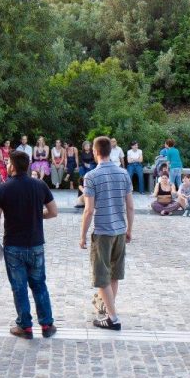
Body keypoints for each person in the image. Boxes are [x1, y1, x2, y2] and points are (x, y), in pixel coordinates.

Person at [0, 150, 58, 339]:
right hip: (36, 244)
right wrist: (38, 216)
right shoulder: (40, 185)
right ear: (28, 166)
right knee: (39, 285)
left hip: (13, 246)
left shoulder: (2, 189)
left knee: (19, 287)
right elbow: (53, 212)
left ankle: (25, 327)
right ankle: (47, 325)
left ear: (11, 166)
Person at [79, 136, 134, 331]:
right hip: (120, 230)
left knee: (101, 277)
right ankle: (106, 307)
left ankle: (112, 318)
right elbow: (130, 207)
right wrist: (129, 230)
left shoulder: (91, 176)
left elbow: (88, 210)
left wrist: (83, 235)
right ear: (110, 151)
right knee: (114, 275)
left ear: (95, 151)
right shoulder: (124, 174)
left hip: (102, 232)